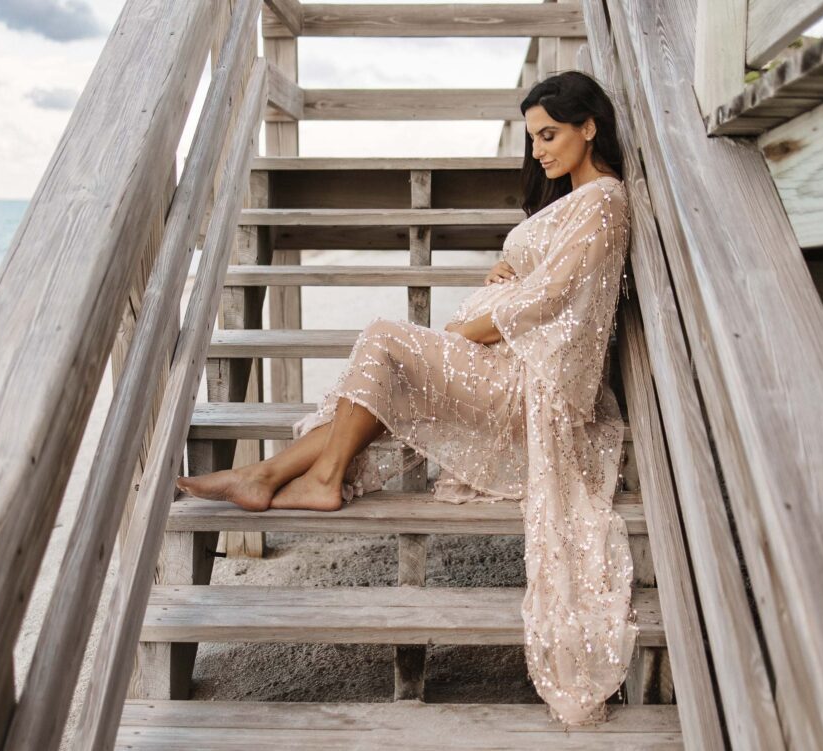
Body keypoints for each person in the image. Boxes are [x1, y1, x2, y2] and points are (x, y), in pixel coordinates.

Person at [176, 70, 639, 726]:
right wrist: (509, 274)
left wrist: (467, 326)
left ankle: (319, 475)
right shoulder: (574, 202)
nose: (538, 149)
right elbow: (543, 280)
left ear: (589, 126)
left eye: (550, 133)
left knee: (387, 343)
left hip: (529, 382)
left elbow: (551, 298)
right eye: (533, 136)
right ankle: (269, 473)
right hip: (509, 360)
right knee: (386, 370)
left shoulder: (603, 200)